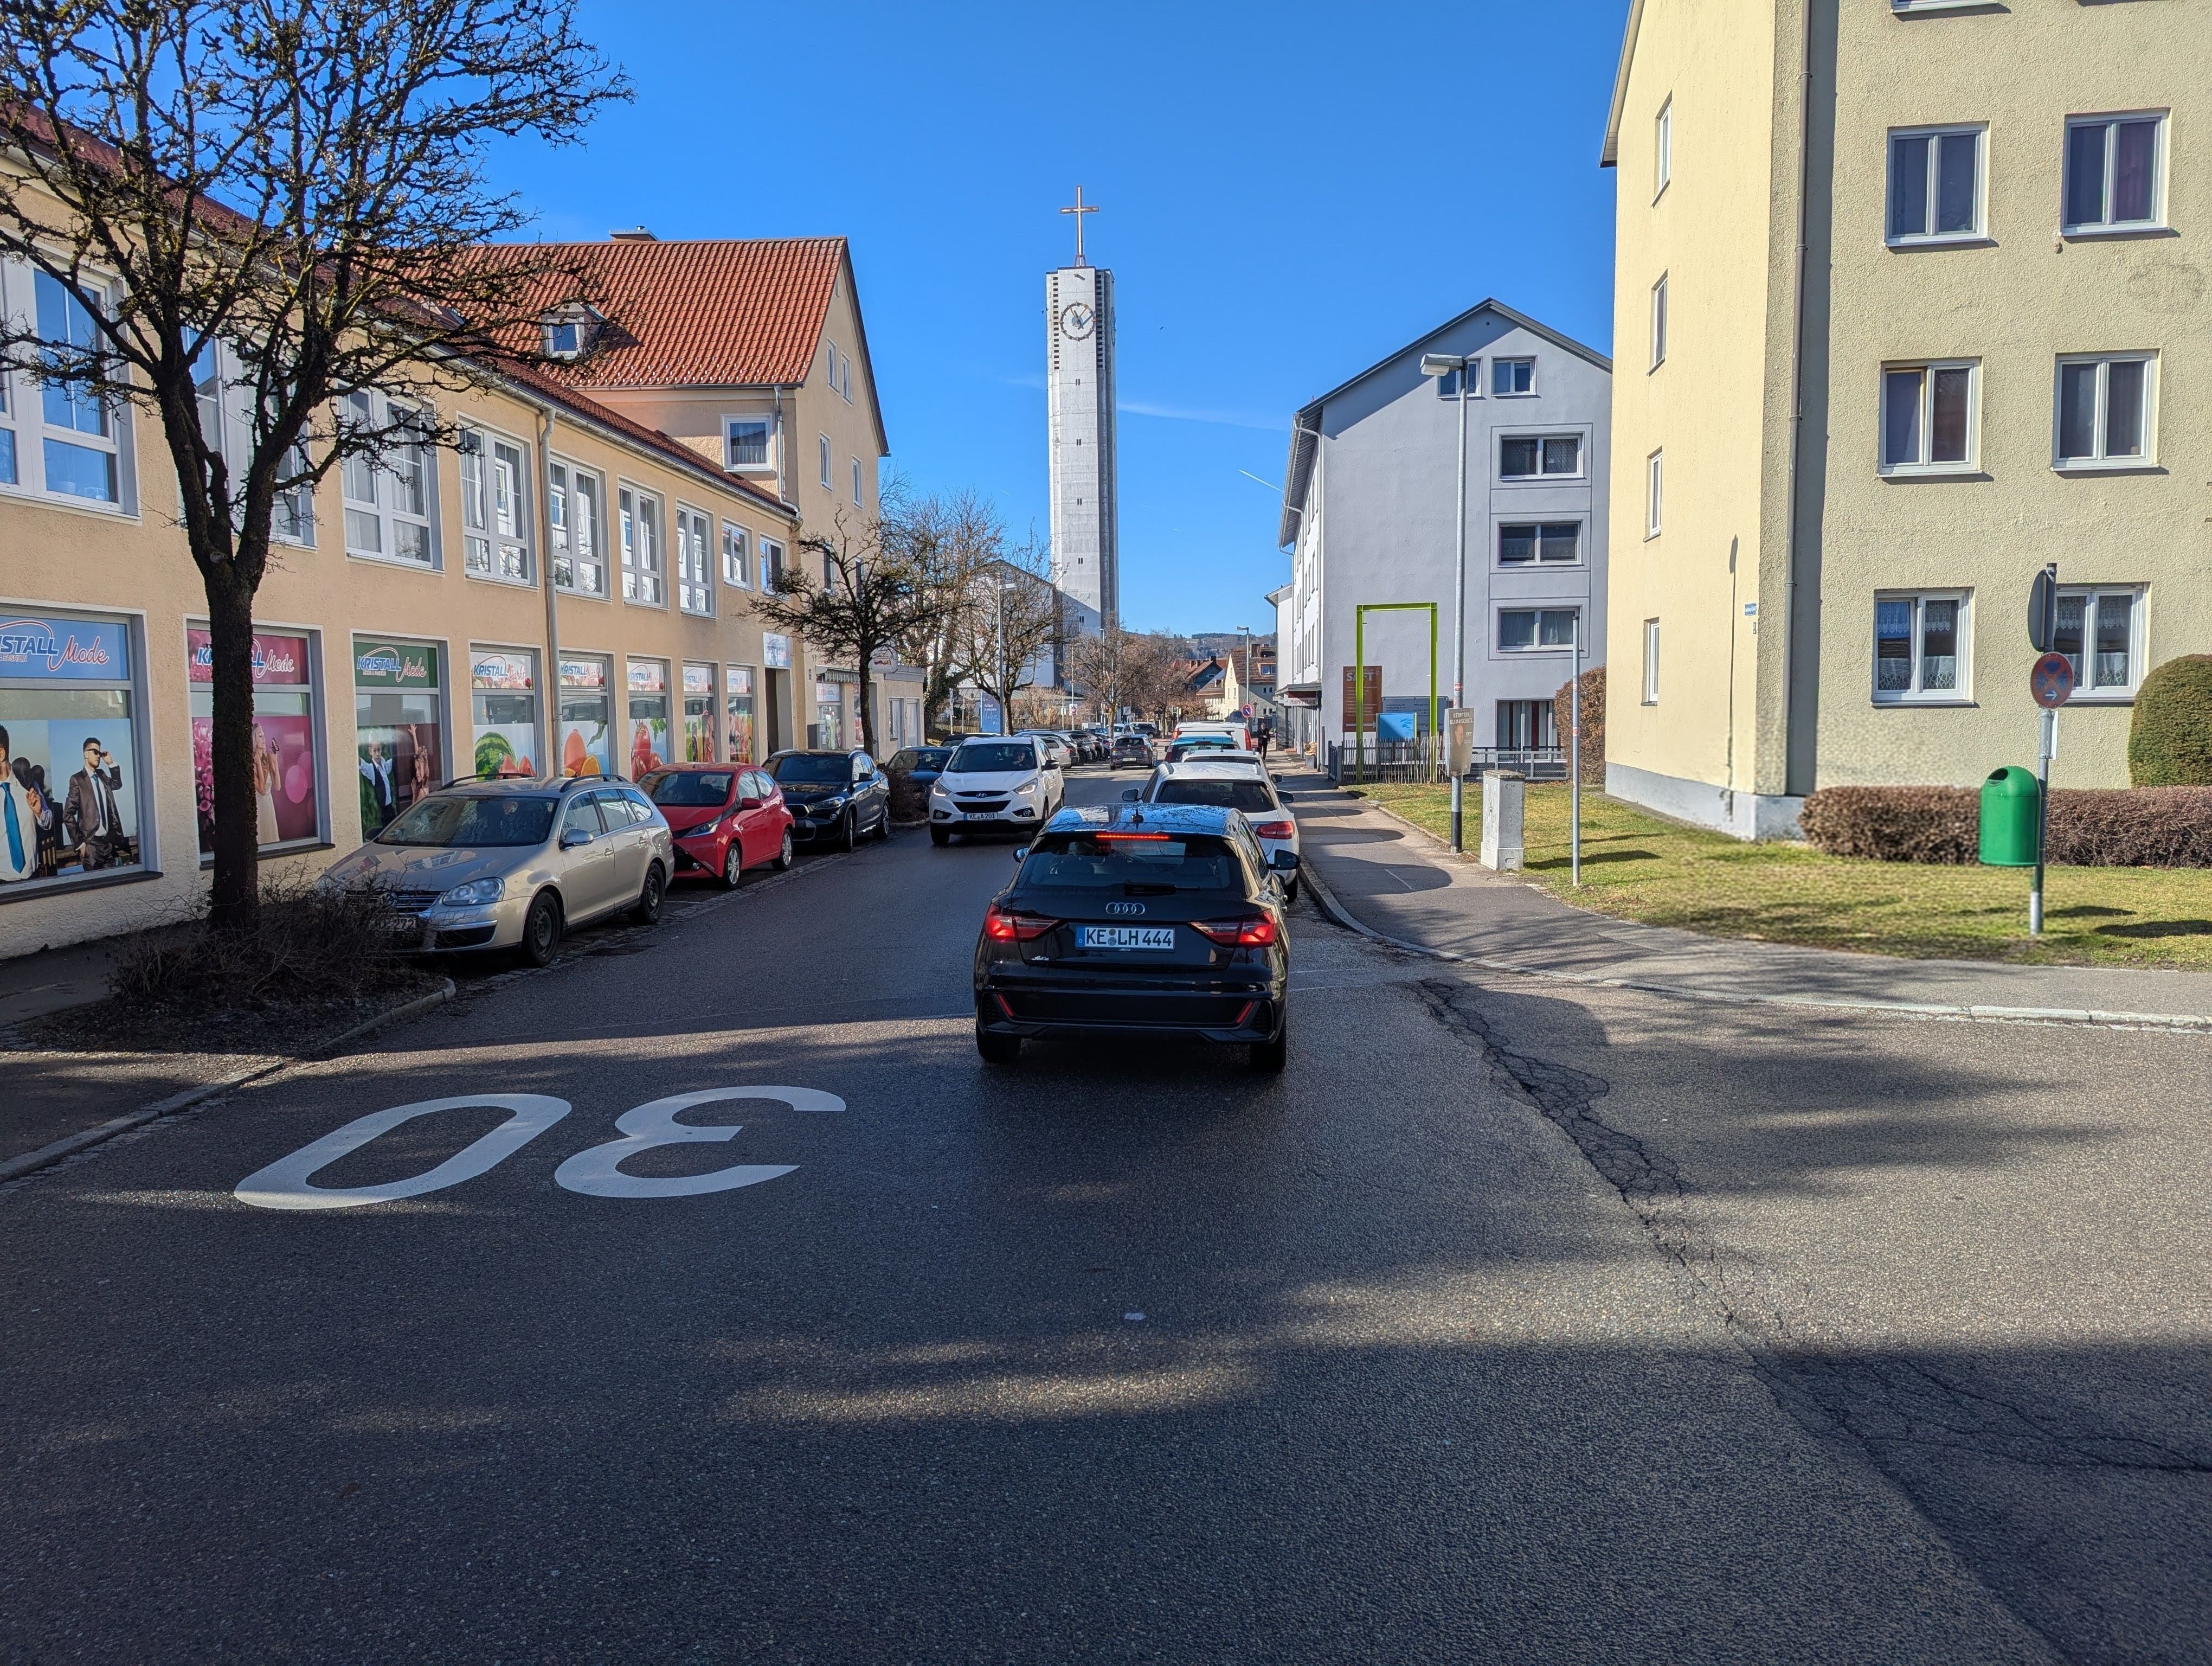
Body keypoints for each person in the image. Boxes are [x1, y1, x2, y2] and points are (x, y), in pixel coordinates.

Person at [0, 727, 57, 883]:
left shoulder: (28, 785)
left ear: (1, 754)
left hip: (34, 880)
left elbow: (49, 823)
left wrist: (39, 813)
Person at [65, 737, 127, 870]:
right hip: (91, 846)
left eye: (99, 752)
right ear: (86, 754)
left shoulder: (102, 775)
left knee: (112, 884)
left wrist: (111, 764)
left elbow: (117, 785)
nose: (98, 756)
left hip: (108, 844)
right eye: (94, 752)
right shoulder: (77, 779)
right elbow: (68, 814)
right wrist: (80, 845)